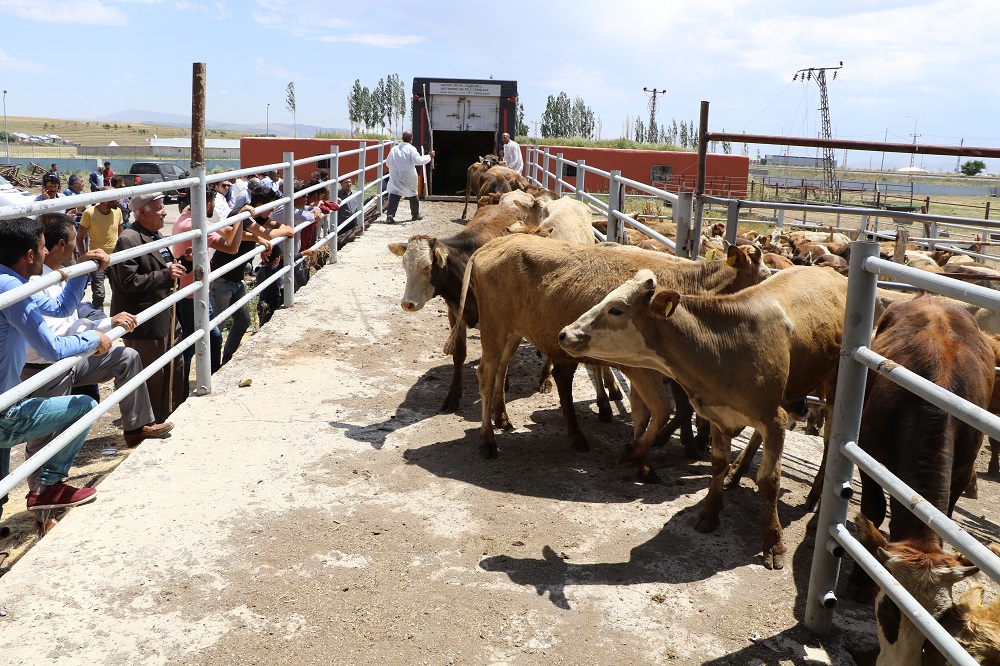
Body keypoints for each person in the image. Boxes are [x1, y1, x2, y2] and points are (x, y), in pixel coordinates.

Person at [21, 214, 172, 488]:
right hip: (46, 368)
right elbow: (55, 335)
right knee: (45, 437)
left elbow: (70, 316)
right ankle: (41, 495)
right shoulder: (34, 282)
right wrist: (96, 332)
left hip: (72, 359)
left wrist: (104, 323)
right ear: (59, 245)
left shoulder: (60, 274)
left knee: (127, 357)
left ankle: (136, 427)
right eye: (74, 242)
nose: (79, 247)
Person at [0, 217, 113, 519]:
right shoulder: (13, 289)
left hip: (5, 399)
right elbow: (52, 348)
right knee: (86, 406)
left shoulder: (11, 281)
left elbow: (60, 308)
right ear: (30, 255)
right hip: (3, 410)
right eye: (41, 247)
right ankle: (48, 487)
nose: (47, 253)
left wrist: (83, 269)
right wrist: (92, 339)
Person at [107, 192, 186, 423]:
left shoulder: (155, 235)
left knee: (175, 367)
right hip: (145, 321)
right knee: (153, 376)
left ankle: (173, 414)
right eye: (159, 207)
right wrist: (165, 274)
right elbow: (128, 282)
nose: (164, 212)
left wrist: (184, 264)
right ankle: (150, 424)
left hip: (167, 316)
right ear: (142, 212)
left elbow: (165, 267)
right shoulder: (128, 239)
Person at [172, 185, 246, 379]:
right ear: (207, 201)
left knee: (211, 339)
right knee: (191, 347)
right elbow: (232, 247)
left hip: (195, 292)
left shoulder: (186, 218)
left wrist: (237, 223)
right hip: (190, 295)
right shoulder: (194, 225)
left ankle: (210, 380)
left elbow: (228, 235)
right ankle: (185, 392)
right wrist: (240, 217)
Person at [77, 196, 123, 310]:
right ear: (107, 199)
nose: (119, 200)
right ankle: (99, 319)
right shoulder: (89, 213)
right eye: (116, 198)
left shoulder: (117, 211)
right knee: (99, 293)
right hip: (97, 259)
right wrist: (84, 256)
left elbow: (121, 234)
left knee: (119, 290)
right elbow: (80, 236)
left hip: (115, 258)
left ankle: (118, 316)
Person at [385, 131, 433, 224]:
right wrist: (429, 156)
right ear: (411, 140)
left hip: (396, 176)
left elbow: (387, 163)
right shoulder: (411, 149)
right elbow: (418, 160)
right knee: (413, 195)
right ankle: (415, 215)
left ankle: (390, 216)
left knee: (395, 194)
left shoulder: (394, 149)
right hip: (409, 177)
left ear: (402, 139)